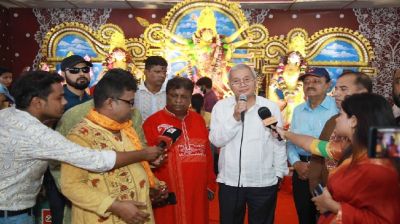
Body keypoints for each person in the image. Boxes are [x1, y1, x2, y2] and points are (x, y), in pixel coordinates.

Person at [0, 71, 163, 224]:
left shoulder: (7, 115)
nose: (65, 102)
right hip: (12, 215)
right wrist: (143, 154)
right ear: (37, 102)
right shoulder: (42, 133)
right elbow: (93, 162)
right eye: (59, 98)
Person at [60, 69, 163, 224]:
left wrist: (150, 184)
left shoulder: (126, 129)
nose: (132, 108)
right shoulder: (80, 136)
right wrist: (115, 206)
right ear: (110, 102)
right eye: (130, 102)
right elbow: (71, 186)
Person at [209, 64, 288, 224]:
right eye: (236, 81)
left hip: (263, 181)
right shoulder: (221, 107)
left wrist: (279, 173)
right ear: (230, 85)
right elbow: (216, 140)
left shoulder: (270, 107)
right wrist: (235, 117)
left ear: (255, 81)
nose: (242, 84)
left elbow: (278, 141)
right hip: (230, 181)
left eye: (246, 79)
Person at [310, 93, 400, 223]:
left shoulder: (379, 167)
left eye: (340, 114)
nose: (336, 119)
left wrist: (333, 206)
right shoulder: (354, 150)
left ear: (353, 121)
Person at [143, 77, 216, 224]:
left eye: (184, 97)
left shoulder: (198, 120)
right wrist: (152, 187)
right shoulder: (152, 122)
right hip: (168, 189)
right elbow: (144, 161)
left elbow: (207, 153)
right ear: (166, 95)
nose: (178, 100)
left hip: (197, 189)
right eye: (174, 96)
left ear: (190, 98)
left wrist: (210, 183)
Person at [288, 67, 338, 224]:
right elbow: (291, 140)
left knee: (328, 216)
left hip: (327, 171)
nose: (310, 85)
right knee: (304, 216)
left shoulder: (337, 109)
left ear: (328, 85)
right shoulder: (298, 110)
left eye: (316, 81)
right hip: (302, 172)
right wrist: (296, 163)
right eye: (306, 82)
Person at [307, 71, 372, 191]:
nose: (336, 94)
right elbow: (317, 153)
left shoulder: (379, 124)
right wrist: (316, 187)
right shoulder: (333, 121)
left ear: (362, 93)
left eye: (343, 89)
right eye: (336, 89)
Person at [135, 56, 168, 122]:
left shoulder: (169, 93)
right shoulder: (135, 93)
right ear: (146, 72)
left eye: (164, 72)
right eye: (157, 72)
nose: (162, 75)